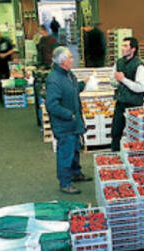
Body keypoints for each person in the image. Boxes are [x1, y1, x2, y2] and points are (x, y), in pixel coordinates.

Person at [45, 46, 92, 194]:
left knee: (75, 149)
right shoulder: (54, 80)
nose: (72, 59)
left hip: (74, 123)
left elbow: (73, 89)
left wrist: (83, 84)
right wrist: (69, 114)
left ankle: (76, 173)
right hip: (64, 125)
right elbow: (51, 105)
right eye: (70, 57)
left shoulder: (68, 74)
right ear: (62, 61)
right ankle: (65, 183)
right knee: (66, 153)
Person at [110, 37, 144, 151]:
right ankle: (115, 158)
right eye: (122, 45)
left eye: (125, 46)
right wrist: (116, 81)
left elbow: (141, 87)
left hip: (134, 106)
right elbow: (112, 81)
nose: (122, 48)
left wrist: (123, 79)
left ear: (133, 49)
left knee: (134, 136)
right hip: (120, 103)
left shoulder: (139, 66)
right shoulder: (119, 63)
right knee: (115, 133)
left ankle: (134, 162)